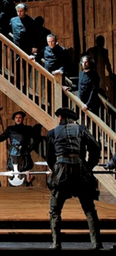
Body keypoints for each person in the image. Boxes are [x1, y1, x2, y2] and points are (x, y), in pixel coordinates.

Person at [46, 107, 102, 250]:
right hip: (80, 171)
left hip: (61, 171)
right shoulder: (82, 129)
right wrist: (88, 166)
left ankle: (56, 243)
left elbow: (50, 157)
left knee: (55, 210)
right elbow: (95, 147)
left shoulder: (52, 133)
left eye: (59, 117)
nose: (58, 119)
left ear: (62, 118)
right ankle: (96, 243)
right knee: (89, 209)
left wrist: (56, 170)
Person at [0, 111, 41, 185]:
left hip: (24, 154)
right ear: (14, 119)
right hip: (13, 153)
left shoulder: (28, 129)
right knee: (13, 172)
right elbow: (1, 138)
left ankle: (27, 185)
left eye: (20, 118)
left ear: (23, 118)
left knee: (26, 171)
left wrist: (29, 149)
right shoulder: (10, 129)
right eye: (16, 118)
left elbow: (37, 139)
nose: (18, 119)